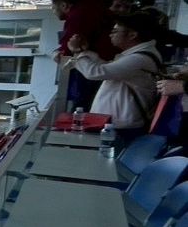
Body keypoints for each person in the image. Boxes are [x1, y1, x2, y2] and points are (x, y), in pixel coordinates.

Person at [64, 12, 163, 143]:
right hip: (115, 123)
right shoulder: (138, 55)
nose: (111, 35)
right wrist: (85, 52)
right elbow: (108, 69)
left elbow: (96, 72)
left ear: (132, 35)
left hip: (122, 127)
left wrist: (78, 52)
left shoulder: (139, 58)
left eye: (115, 31)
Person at [51, 0, 118, 109]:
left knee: (83, 102)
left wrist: (59, 53)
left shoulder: (78, 15)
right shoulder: (94, 8)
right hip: (108, 60)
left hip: (94, 63)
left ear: (64, 5)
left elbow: (69, 45)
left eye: (54, 8)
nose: (53, 12)